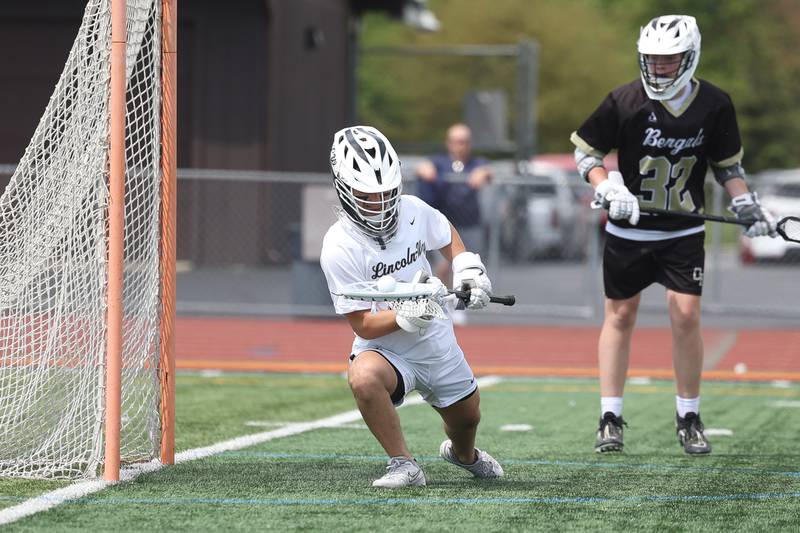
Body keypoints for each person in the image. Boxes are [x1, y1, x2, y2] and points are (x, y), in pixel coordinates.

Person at [570, 15, 777, 455]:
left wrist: (745, 203)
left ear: (690, 56)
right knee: (620, 316)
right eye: (653, 60)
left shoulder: (715, 104)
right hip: (630, 230)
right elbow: (586, 154)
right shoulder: (624, 99)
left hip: (683, 229)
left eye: (669, 60)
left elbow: (728, 167)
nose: (660, 68)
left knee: (685, 315)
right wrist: (607, 187)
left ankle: (689, 416)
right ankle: (610, 416)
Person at [320, 125, 503, 487]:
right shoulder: (339, 246)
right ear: (344, 190)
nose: (382, 203)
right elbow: (362, 325)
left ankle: (464, 455)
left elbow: (445, 231)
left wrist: (468, 270)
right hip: (386, 348)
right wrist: (405, 316)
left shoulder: (413, 210)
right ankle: (403, 463)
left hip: (435, 340)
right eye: (369, 195)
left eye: (388, 192)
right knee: (362, 377)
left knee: (467, 419)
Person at [415, 123, 492, 286]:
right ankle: (448, 302)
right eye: (455, 141)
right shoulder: (439, 161)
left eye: (463, 141)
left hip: (470, 224)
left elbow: (488, 171)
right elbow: (422, 167)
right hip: (445, 223)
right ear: (448, 143)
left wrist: (484, 173)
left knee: (470, 265)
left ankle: (462, 303)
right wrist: (424, 169)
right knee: (443, 266)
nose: (459, 146)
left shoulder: (476, 163)